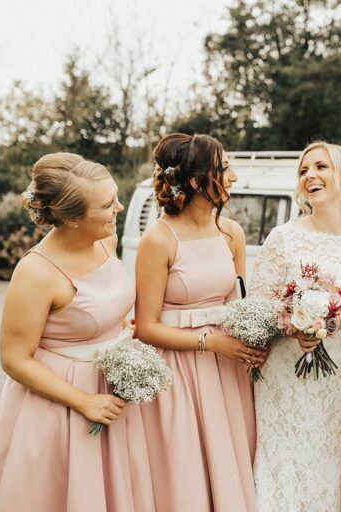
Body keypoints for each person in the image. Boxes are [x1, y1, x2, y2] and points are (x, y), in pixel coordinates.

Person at [0, 153, 155, 512]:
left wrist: (123, 335)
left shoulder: (105, 240)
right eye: (107, 204)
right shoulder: (36, 272)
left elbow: (108, 304)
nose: (118, 208)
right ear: (71, 218)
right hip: (60, 402)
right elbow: (13, 358)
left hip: (111, 390)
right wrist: (84, 401)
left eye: (115, 197)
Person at [134, 133, 264, 511]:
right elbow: (146, 327)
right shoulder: (159, 240)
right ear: (196, 181)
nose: (233, 177)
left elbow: (238, 303)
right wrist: (210, 342)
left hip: (227, 366)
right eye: (225, 169)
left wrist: (254, 339)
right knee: (185, 468)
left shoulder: (231, 233)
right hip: (179, 370)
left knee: (230, 459)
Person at [250, 141, 341, 511]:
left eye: (321, 167)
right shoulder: (283, 237)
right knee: (286, 451)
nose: (310, 175)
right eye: (304, 170)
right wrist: (295, 326)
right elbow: (258, 305)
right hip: (287, 365)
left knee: (329, 449)